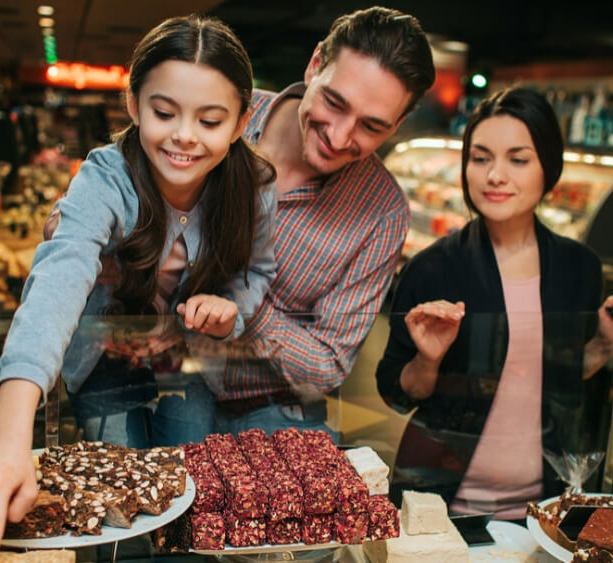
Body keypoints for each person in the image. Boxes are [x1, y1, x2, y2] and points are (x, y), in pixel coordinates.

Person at [0, 16, 277, 558]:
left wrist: (231, 308)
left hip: (186, 363)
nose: (184, 135)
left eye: (210, 120)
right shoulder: (105, 178)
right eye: (163, 113)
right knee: (116, 514)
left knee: (187, 504)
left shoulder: (256, 187)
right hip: (103, 360)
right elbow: (58, 277)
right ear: (133, 104)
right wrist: (10, 429)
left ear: (241, 122)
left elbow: (259, 273)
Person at [375, 87, 613, 520]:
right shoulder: (432, 268)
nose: (495, 175)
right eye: (481, 158)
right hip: (439, 504)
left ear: (549, 167)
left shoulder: (578, 267)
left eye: (518, 160)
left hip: (545, 509)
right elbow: (396, 393)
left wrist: (605, 345)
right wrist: (428, 362)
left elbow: (557, 380)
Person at [160, 6, 436, 439]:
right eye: (334, 103)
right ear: (315, 65)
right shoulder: (219, 114)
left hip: (274, 407)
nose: (340, 137)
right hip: (164, 378)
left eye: (371, 126)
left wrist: (243, 306)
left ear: (397, 125)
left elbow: (329, 365)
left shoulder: (384, 213)